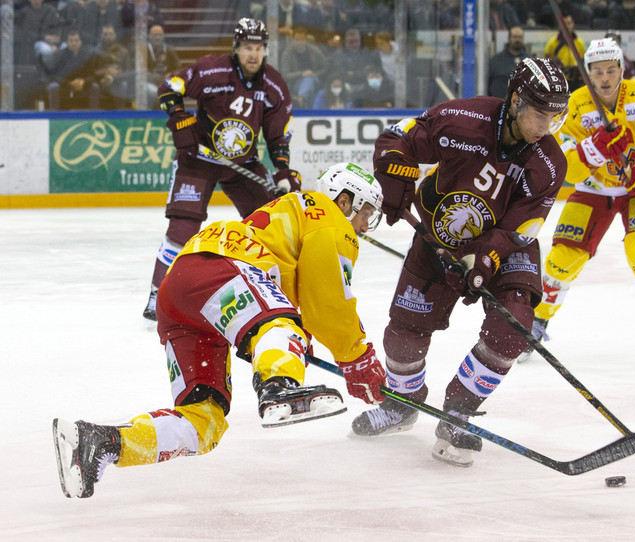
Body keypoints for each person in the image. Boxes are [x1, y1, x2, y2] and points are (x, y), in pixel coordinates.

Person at [53, 163, 389, 499]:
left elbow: (302, 304)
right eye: (367, 212)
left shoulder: (301, 213)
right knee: (281, 326)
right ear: (345, 200)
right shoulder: (329, 218)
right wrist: (358, 358)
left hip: (183, 291)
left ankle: (104, 443)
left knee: (204, 420)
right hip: (221, 268)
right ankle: (277, 387)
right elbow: (328, 304)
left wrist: (293, 346)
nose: (364, 226)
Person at [351, 58, 571, 468]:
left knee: (513, 327)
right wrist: (395, 180)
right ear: (516, 100)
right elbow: (396, 139)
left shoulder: (549, 163)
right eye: (540, 114)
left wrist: (484, 259)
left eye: (556, 117)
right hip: (439, 234)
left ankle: (459, 412)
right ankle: (402, 403)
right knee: (404, 332)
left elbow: (521, 228)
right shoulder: (462, 119)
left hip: (505, 245)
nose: (547, 126)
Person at [528, 39, 635, 373]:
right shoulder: (572, 106)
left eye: (610, 70)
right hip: (595, 189)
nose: (604, 78)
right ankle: (535, 323)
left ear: (622, 68)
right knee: (562, 259)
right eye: (597, 71)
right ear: (588, 73)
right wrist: (595, 149)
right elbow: (563, 162)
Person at [142, 18, 302, 321]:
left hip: (241, 164)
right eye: (247, 47)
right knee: (182, 227)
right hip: (199, 159)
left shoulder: (274, 86)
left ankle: (276, 288)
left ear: (265, 50)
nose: (253, 54)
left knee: (270, 222)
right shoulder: (211, 69)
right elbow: (169, 87)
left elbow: (278, 136)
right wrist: (178, 115)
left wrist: (282, 170)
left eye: (258, 48)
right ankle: (157, 293)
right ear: (236, 48)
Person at [43, 29, 99, 110]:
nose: (74, 43)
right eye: (71, 41)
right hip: (64, 84)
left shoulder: (87, 56)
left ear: (80, 42)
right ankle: (54, 116)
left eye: (76, 40)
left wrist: (83, 81)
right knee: (53, 87)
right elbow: (54, 75)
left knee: (95, 86)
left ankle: (95, 116)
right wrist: (69, 83)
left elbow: (93, 75)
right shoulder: (59, 55)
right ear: (67, 43)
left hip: (82, 84)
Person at [279, 25, 327, 108]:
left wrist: (314, 74)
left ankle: (300, 100)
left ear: (305, 40)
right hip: (295, 83)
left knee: (309, 80)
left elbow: (325, 67)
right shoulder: (287, 54)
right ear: (292, 40)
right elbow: (285, 74)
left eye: (302, 39)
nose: (300, 42)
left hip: (315, 79)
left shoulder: (314, 51)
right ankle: (305, 103)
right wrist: (302, 74)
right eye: (297, 39)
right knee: (309, 88)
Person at [543, 14, 586, 90]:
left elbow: (583, 63)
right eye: (564, 24)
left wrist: (577, 69)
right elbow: (545, 64)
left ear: (573, 24)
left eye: (569, 23)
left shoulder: (580, 43)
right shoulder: (552, 43)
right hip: (559, 82)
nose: (566, 26)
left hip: (576, 81)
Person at [487, 26, 532, 98]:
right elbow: (488, 83)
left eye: (520, 37)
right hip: (499, 104)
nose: (517, 39)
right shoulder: (496, 60)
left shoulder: (530, 61)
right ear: (509, 39)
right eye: (514, 37)